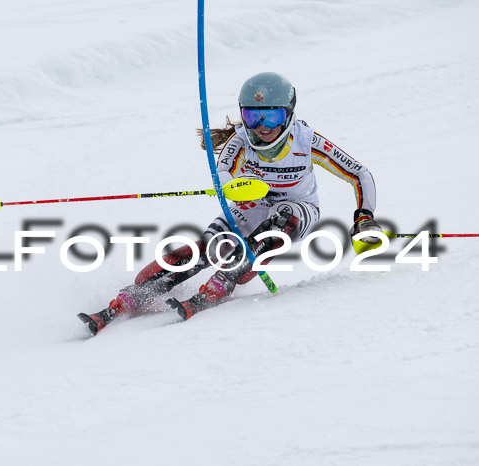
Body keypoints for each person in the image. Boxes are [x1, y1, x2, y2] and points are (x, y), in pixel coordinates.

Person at [78, 72, 382, 335]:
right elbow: (222, 175)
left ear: (288, 115)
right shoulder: (239, 141)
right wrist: (231, 189)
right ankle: (135, 297)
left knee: (280, 219)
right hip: (253, 205)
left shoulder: (307, 141)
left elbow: (359, 173)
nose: (262, 127)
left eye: (271, 117)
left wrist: (364, 217)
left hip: (298, 207)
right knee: (205, 247)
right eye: (253, 116)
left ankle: (220, 284)